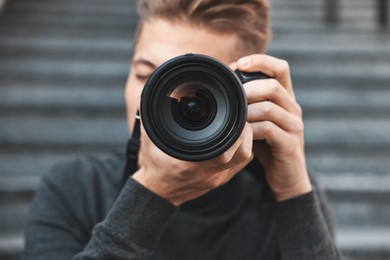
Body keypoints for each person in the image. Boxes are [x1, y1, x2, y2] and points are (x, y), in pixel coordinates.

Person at [23, 0, 344, 259]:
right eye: (144, 75)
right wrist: (152, 192)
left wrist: (293, 191)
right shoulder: (74, 189)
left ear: (246, 96)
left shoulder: (280, 193)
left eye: (194, 88)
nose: (155, 100)